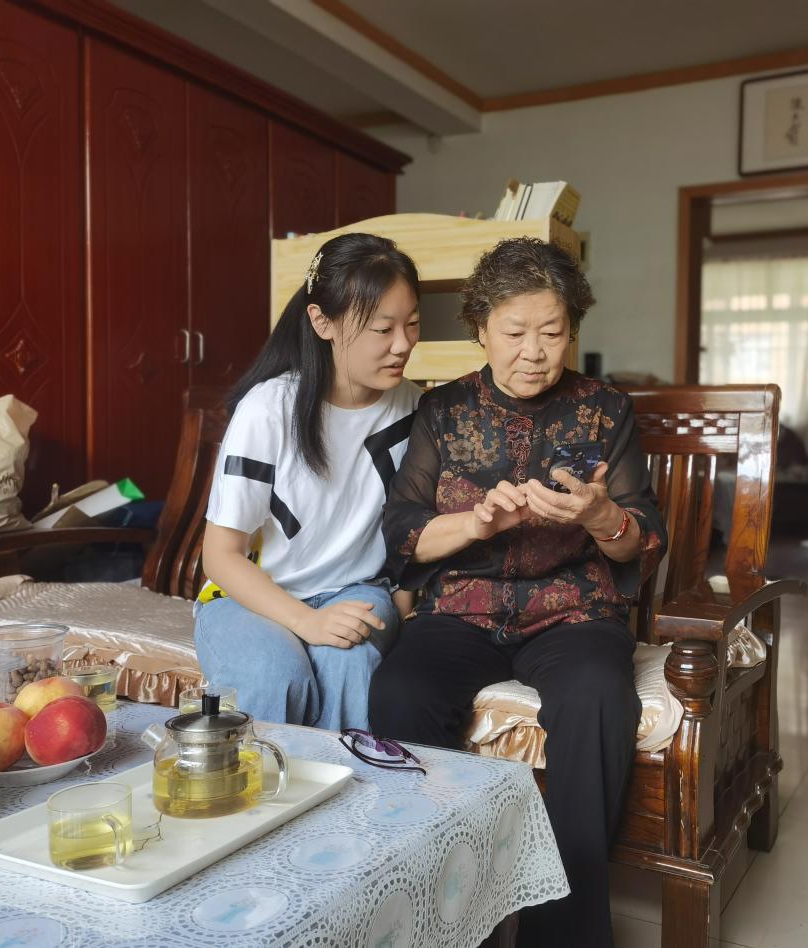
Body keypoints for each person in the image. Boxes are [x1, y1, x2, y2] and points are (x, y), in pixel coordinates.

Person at [369, 237, 666, 948]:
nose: (534, 352)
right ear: (481, 329)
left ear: (572, 330)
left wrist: (600, 515)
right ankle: (432, 915)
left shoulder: (605, 410)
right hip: (461, 612)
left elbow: (642, 541)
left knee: (597, 694)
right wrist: (474, 522)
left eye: (553, 332)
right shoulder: (443, 411)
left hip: (572, 615)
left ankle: (564, 934)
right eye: (515, 333)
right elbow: (403, 530)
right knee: (401, 690)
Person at [195, 233, 422, 730]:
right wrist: (306, 621)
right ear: (322, 322)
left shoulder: (413, 407)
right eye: (383, 329)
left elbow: (421, 523)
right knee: (277, 676)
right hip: (249, 599)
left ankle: (347, 783)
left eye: (412, 324)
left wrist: (403, 601)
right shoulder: (268, 409)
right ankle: (261, 782)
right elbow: (221, 555)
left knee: (350, 663)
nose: (403, 344)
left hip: (357, 589)